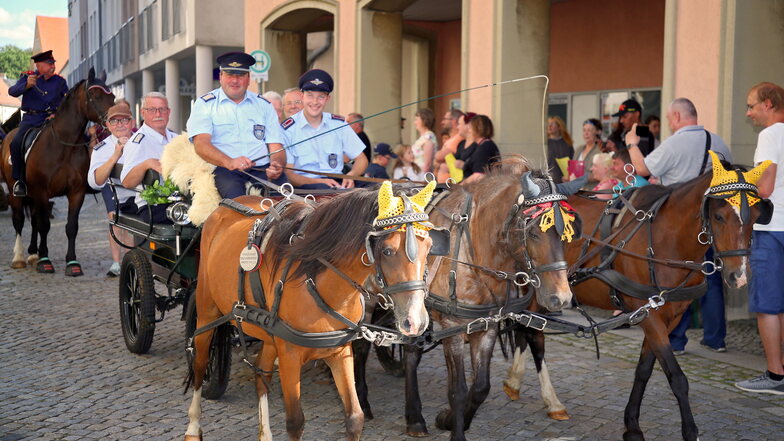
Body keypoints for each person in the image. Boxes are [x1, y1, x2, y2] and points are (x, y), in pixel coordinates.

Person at [626, 97, 732, 356]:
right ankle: (716, 338)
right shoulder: (719, 143)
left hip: (677, 223)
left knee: (676, 279)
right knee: (710, 277)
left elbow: (641, 168)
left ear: (676, 117)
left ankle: (676, 339)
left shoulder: (675, 143)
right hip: (710, 221)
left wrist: (631, 144)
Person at [734, 81, 784, 394]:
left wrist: (738, 184)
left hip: (771, 228)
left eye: (752, 105)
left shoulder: (770, 135)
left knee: (767, 306)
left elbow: (764, 188)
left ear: (768, 103)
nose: (748, 112)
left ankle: (775, 376)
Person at [187, 52, 288, 199]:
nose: (235, 80)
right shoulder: (205, 104)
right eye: (229, 75)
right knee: (239, 204)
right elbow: (201, 144)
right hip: (226, 169)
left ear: (248, 78)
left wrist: (276, 164)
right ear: (221, 76)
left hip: (262, 169)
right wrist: (230, 162)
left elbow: (276, 146)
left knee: (287, 204)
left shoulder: (264, 105)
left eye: (240, 75)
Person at [281, 69, 367, 190]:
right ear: (302, 96)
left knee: (377, 189)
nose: (315, 102)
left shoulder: (338, 124)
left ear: (328, 98)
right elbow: (289, 175)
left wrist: (351, 175)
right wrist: (318, 181)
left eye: (321, 97)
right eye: (310, 95)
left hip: (337, 183)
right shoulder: (288, 129)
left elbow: (361, 159)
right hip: (306, 187)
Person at [7, 50, 69, 197]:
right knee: (15, 143)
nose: (53, 66)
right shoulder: (27, 77)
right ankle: (20, 181)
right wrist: (26, 86)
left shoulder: (60, 82)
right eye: (49, 64)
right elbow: (12, 91)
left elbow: (66, 102)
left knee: (75, 138)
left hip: (52, 120)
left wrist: (56, 114)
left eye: (53, 63)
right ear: (39, 65)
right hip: (31, 120)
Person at [87, 103, 137, 277]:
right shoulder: (101, 148)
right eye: (114, 121)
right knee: (115, 219)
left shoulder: (142, 139)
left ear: (132, 122)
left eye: (124, 120)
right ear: (107, 125)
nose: (120, 125)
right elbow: (95, 182)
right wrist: (115, 154)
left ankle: (133, 258)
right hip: (112, 186)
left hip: (138, 188)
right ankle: (117, 262)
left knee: (136, 225)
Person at [120, 92, 178, 223]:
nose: (158, 114)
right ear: (142, 113)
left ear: (169, 112)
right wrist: (147, 164)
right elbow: (127, 182)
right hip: (153, 206)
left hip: (178, 201)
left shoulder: (176, 138)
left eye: (162, 109)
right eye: (152, 110)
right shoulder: (138, 142)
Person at [459, 114, 500, 184]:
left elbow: (479, 175)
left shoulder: (485, 147)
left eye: (470, 128)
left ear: (478, 129)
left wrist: (460, 186)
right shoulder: (485, 145)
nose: (469, 131)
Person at [435, 109, 465, 183]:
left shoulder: (459, 138)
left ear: (454, 120)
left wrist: (438, 158)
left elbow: (439, 157)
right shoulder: (451, 139)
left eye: (445, 119)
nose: (442, 122)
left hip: (451, 187)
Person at [546, 116, 574, 184]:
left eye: (552, 124)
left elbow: (572, 162)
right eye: (548, 124)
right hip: (548, 181)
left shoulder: (567, 144)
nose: (549, 126)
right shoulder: (544, 143)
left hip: (564, 181)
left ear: (559, 127)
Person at [411, 108, 438, 174]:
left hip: (421, 178)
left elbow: (427, 164)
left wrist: (419, 179)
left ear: (424, 120)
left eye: (416, 119)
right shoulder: (423, 138)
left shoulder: (428, 138)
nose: (414, 123)